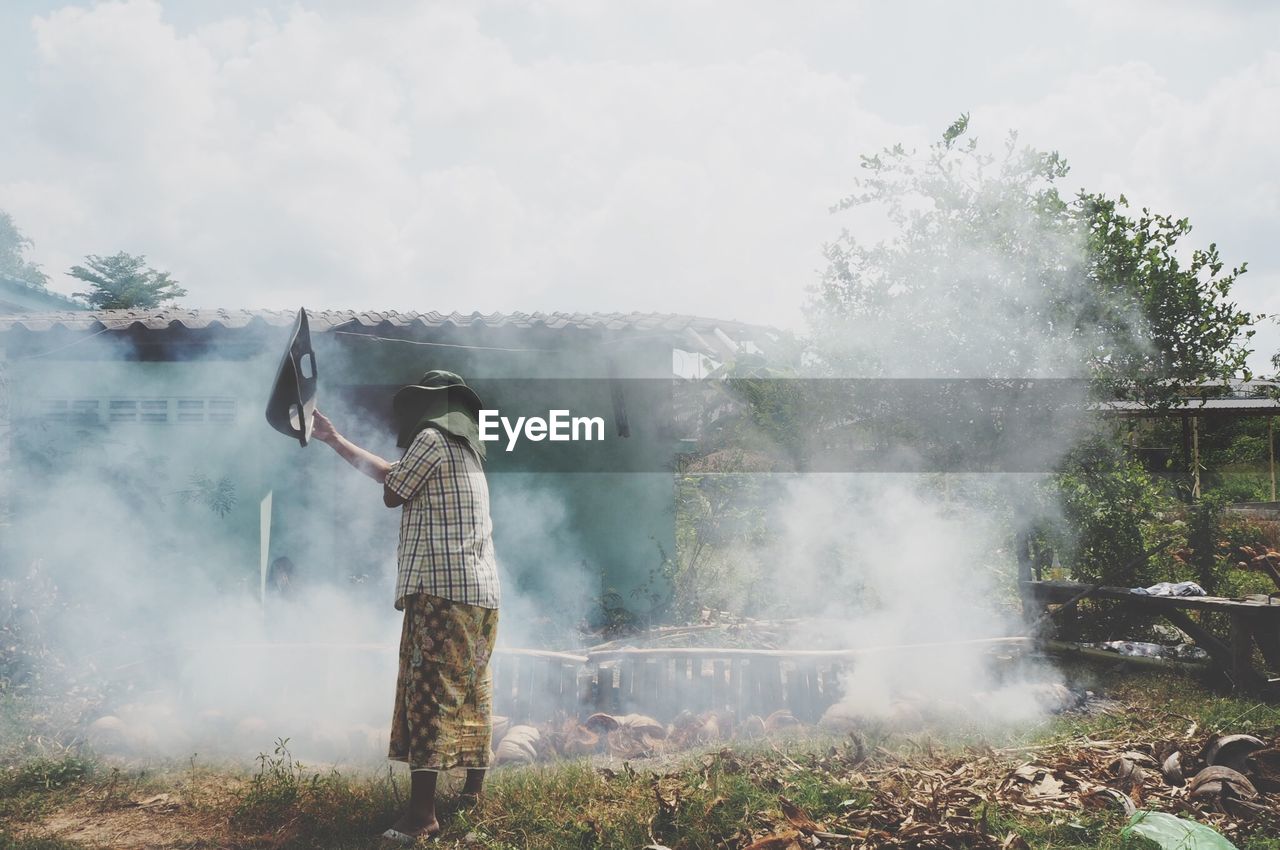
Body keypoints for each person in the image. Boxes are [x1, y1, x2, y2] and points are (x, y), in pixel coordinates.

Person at [312, 370, 500, 843]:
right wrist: (335, 440)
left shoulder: (431, 440)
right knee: (472, 689)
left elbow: (393, 492)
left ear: (428, 409)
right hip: (481, 594)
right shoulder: (469, 452)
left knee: (429, 695)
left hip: (441, 591)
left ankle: (422, 817)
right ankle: (472, 796)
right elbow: (392, 475)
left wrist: (340, 444)